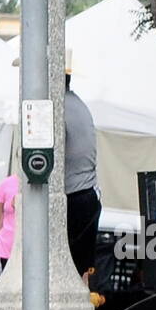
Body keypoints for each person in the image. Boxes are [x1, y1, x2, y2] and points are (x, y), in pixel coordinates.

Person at [65, 63, 101, 281]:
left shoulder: (57, 108)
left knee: (72, 271)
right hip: (87, 193)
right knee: (80, 271)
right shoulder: (78, 104)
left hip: (74, 196)